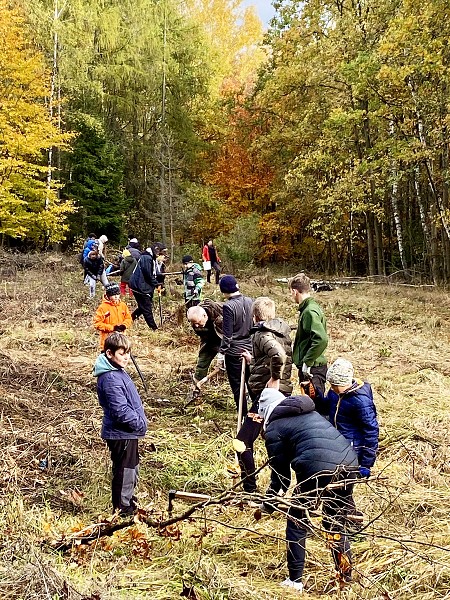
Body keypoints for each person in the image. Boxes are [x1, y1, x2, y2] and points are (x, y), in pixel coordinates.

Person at [258, 387, 359, 592]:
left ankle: (294, 581)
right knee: (334, 523)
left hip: (318, 470)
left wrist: (268, 503)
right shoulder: (308, 412)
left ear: (265, 411)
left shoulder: (275, 427)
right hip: (349, 466)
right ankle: (345, 576)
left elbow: (281, 477)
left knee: (296, 519)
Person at [237, 296, 294, 493]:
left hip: (267, 396)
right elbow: (271, 357)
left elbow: (278, 355)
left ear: (254, 316)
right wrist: (253, 359)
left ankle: (249, 489)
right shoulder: (280, 332)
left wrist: (275, 379)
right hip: (282, 394)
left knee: (242, 442)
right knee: (277, 442)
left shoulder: (262, 334)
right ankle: (277, 489)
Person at [93, 332, 147, 516]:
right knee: (125, 471)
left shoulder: (116, 371)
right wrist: (139, 423)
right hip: (121, 432)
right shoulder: (110, 378)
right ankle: (123, 510)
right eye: (122, 353)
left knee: (131, 468)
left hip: (127, 432)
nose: (126, 358)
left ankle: (128, 502)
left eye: (128, 353)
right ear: (109, 353)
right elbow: (120, 411)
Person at [219, 275, 256, 491]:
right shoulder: (250, 301)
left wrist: (222, 354)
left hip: (235, 353)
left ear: (225, 290)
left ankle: (243, 417)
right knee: (252, 383)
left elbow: (228, 334)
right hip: (250, 349)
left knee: (238, 386)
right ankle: (255, 414)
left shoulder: (228, 307)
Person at [323, 358, 379, 477]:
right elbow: (326, 408)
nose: (332, 387)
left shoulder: (361, 402)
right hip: (336, 444)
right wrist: (315, 396)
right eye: (331, 384)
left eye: (335, 385)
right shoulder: (334, 393)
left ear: (345, 382)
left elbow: (371, 431)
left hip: (353, 450)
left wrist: (366, 464)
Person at [289, 273, 328, 402]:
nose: (291, 296)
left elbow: (321, 339)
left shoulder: (309, 311)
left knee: (315, 408)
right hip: (312, 368)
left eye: (291, 292)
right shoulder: (308, 308)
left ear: (295, 291)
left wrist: (307, 362)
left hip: (313, 370)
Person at [186, 299, 224, 382]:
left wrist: (222, 353)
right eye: (193, 323)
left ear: (204, 316)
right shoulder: (195, 320)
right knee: (202, 362)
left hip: (227, 339)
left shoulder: (221, 314)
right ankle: (196, 385)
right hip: (210, 339)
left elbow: (230, 335)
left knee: (232, 364)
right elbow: (203, 336)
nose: (196, 325)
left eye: (198, 322)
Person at [129, 243, 161, 330]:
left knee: (143, 307)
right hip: (139, 285)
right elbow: (148, 274)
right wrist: (156, 284)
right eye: (159, 253)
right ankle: (154, 328)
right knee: (146, 307)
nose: (159, 255)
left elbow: (154, 274)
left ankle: (128, 320)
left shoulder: (150, 258)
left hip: (141, 284)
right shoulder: (147, 258)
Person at [93, 283, 133, 349]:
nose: (116, 296)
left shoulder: (123, 305)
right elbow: (97, 324)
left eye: (117, 294)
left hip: (121, 340)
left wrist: (124, 325)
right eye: (113, 295)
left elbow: (128, 318)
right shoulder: (103, 307)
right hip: (108, 341)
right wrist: (112, 328)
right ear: (108, 296)